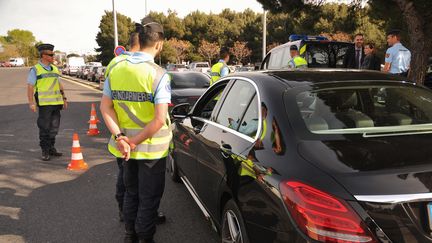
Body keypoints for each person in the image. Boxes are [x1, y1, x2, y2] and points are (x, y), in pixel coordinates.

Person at [100, 19, 171, 243]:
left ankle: (130, 235)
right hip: (151, 150)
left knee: (131, 194)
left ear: (138, 40)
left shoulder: (116, 68)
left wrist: (121, 138)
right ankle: (145, 237)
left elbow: (105, 108)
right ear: (159, 44)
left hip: (124, 149)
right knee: (148, 199)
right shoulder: (159, 74)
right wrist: (135, 141)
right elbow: (160, 119)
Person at [27, 43, 67, 161]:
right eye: (50, 54)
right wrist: (31, 103)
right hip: (44, 105)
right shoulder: (36, 69)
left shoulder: (55, 68)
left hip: (56, 103)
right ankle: (45, 150)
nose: (53, 56)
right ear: (43, 55)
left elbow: (59, 84)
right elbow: (30, 87)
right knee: (44, 128)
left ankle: (51, 148)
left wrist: (64, 98)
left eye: (53, 54)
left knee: (54, 128)